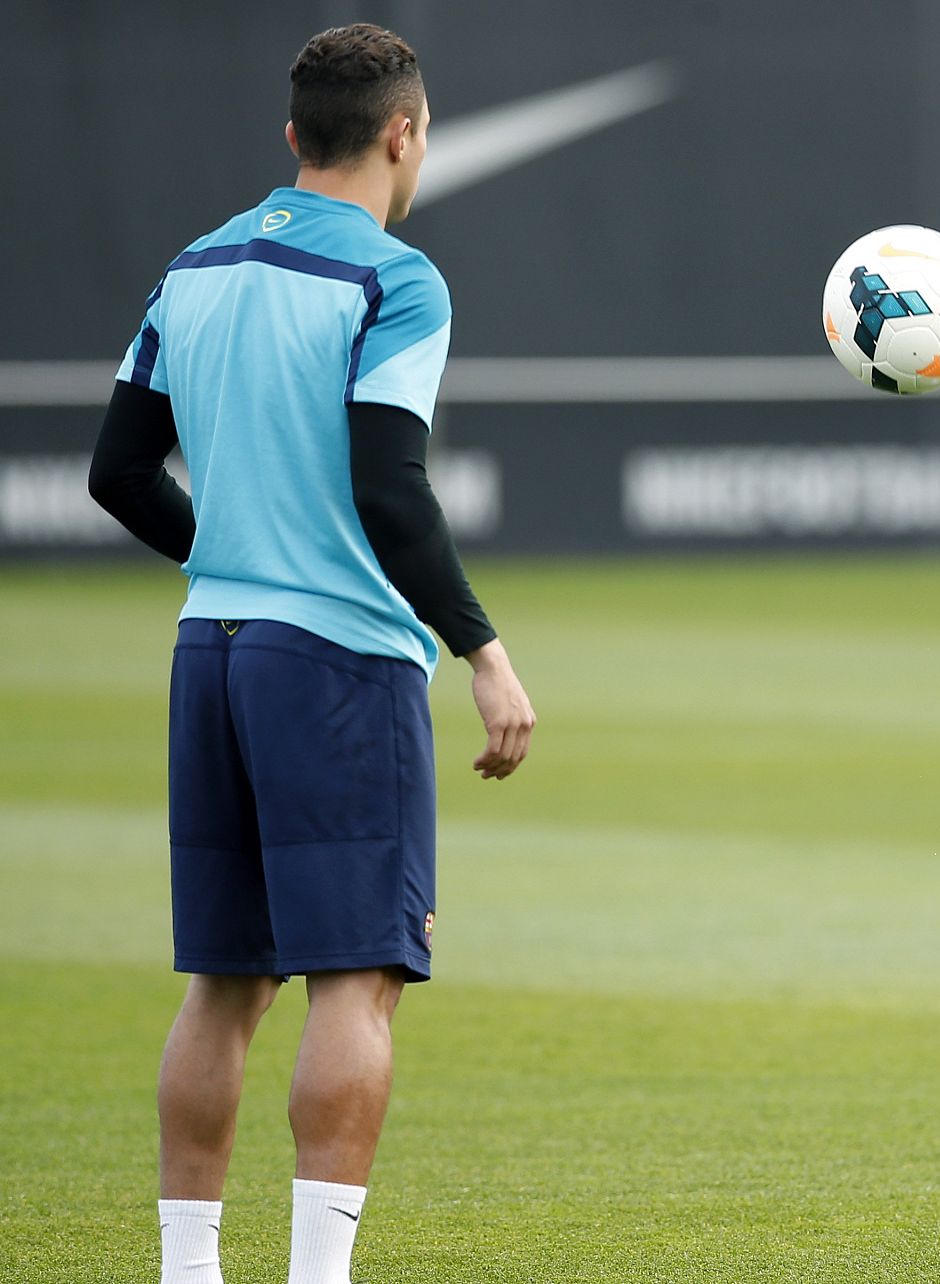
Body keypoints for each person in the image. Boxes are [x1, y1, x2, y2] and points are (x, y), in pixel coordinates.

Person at [87, 25, 535, 1284]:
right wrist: (483, 650)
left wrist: (223, 552)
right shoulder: (397, 280)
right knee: (355, 980)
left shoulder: (195, 266)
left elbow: (117, 473)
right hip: (337, 664)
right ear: (406, 134)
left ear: (293, 137)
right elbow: (389, 490)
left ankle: (187, 1273)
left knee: (224, 984)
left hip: (211, 657)